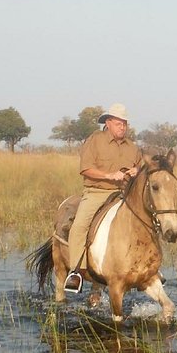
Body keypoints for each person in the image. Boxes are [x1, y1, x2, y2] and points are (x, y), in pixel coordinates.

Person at [64, 103, 144, 292]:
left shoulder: (132, 146)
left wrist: (137, 170)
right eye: (118, 123)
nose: (122, 127)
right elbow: (85, 168)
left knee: (148, 221)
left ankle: (149, 269)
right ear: (108, 122)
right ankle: (76, 271)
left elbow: (142, 165)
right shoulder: (95, 140)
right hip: (97, 192)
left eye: (124, 123)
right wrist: (108, 175)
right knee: (79, 227)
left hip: (124, 194)